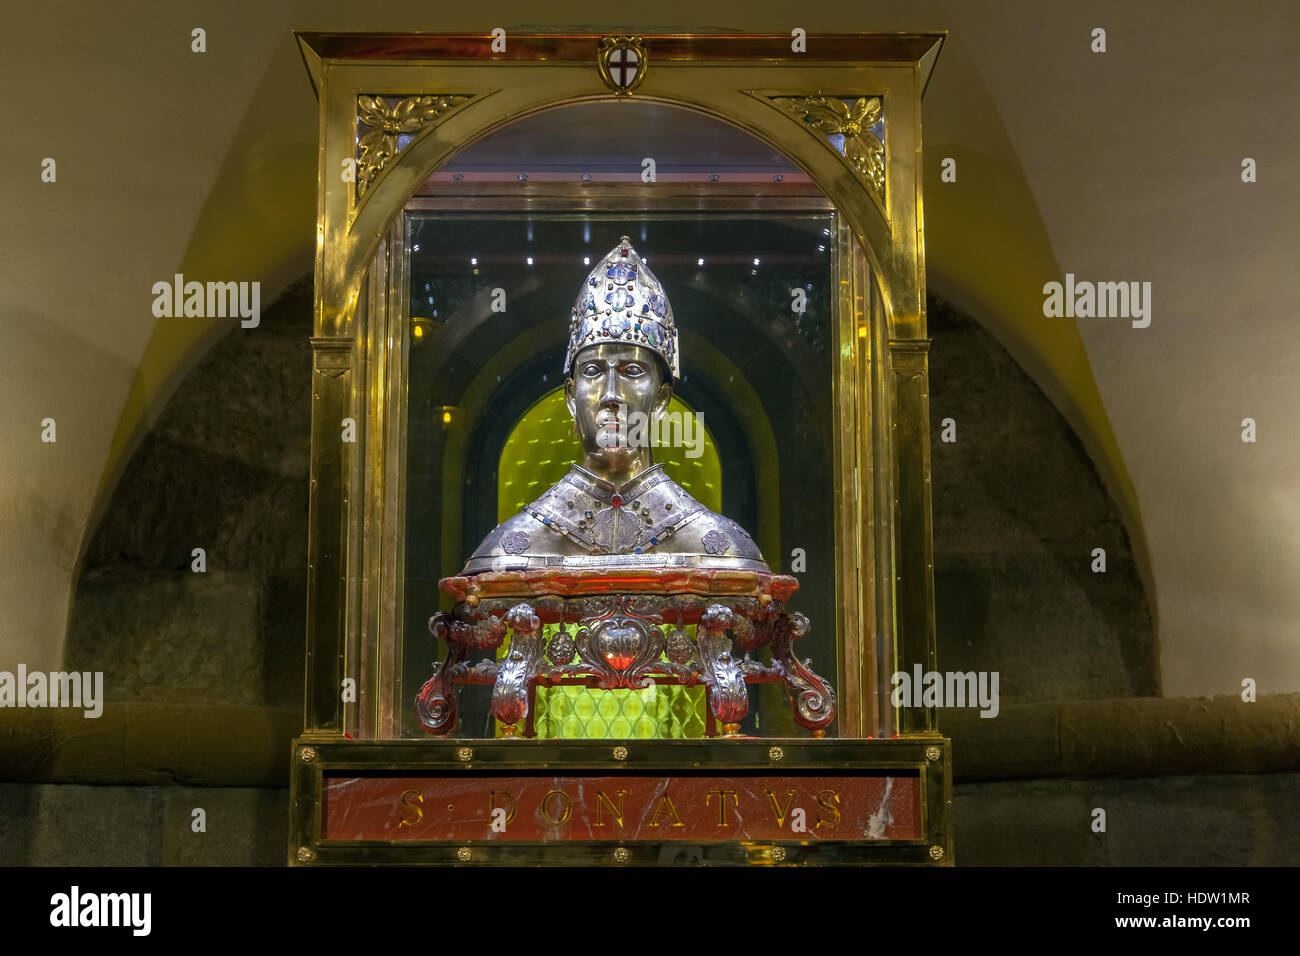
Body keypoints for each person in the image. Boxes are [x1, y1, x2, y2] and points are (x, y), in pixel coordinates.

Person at [462, 237, 767, 573]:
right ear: (571, 399)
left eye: (632, 371)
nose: (611, 394)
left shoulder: (719, 549)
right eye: (593, 371)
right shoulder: (512, 550)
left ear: (662, 400)